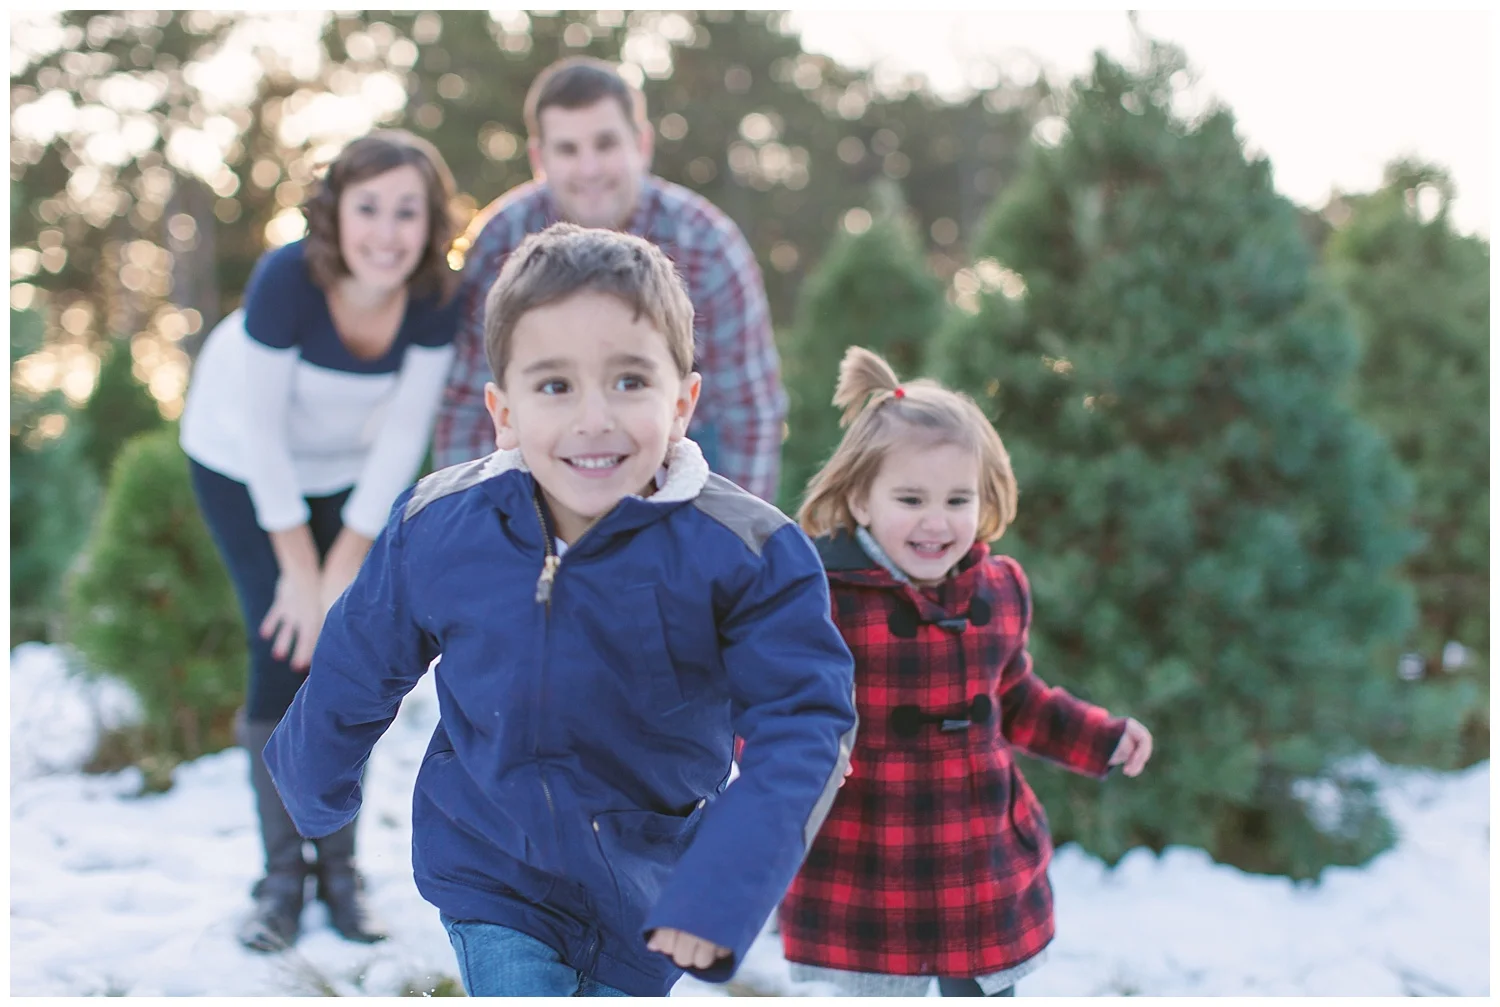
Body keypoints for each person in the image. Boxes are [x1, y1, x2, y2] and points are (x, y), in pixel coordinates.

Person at [262, 223, 858, 997]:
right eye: (554, 386)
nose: (593, 418)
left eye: (629, 382)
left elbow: (805, 725)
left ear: (683, 400)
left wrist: (721, 888)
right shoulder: (441, 525)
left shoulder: (747, 551)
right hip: (492, 864)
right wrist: (312, 779)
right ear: (502, 410)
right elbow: (360, 656)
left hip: (653, 881)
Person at [778, 346, 1155, 997]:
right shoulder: (824, 597)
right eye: (910, 497)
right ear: (861, 500)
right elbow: (777, 700)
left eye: (957, 498)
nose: (936, 520)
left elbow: (1017, 698)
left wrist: (1100, 735)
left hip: (976, 857)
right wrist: (777, 760)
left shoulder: (998, 590)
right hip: (872, 857)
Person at [178, 129, 461, 952]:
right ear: (334, 214)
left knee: (345, 648)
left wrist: (344, 567)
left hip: (346, 475)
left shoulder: (436, 298)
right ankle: (280, 880)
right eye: (367, 206)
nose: (387, 230)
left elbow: (403, 435)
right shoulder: (286, 279)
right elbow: (261, 435)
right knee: (282, 638)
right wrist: (300, 571)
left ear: (431, 222)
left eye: (407, 211)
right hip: (239, 463)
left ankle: (340, 872)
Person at [432, 56, 787, 503]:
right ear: (539, 158)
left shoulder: (708, 242)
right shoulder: (498, 238)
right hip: (544, 455)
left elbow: (748, 410)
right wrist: (473, 524)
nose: (589, 169)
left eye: (605, 144)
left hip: (676, 451)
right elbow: (466, 405)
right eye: (567, 150)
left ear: (641, 144)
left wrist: (735, 537)